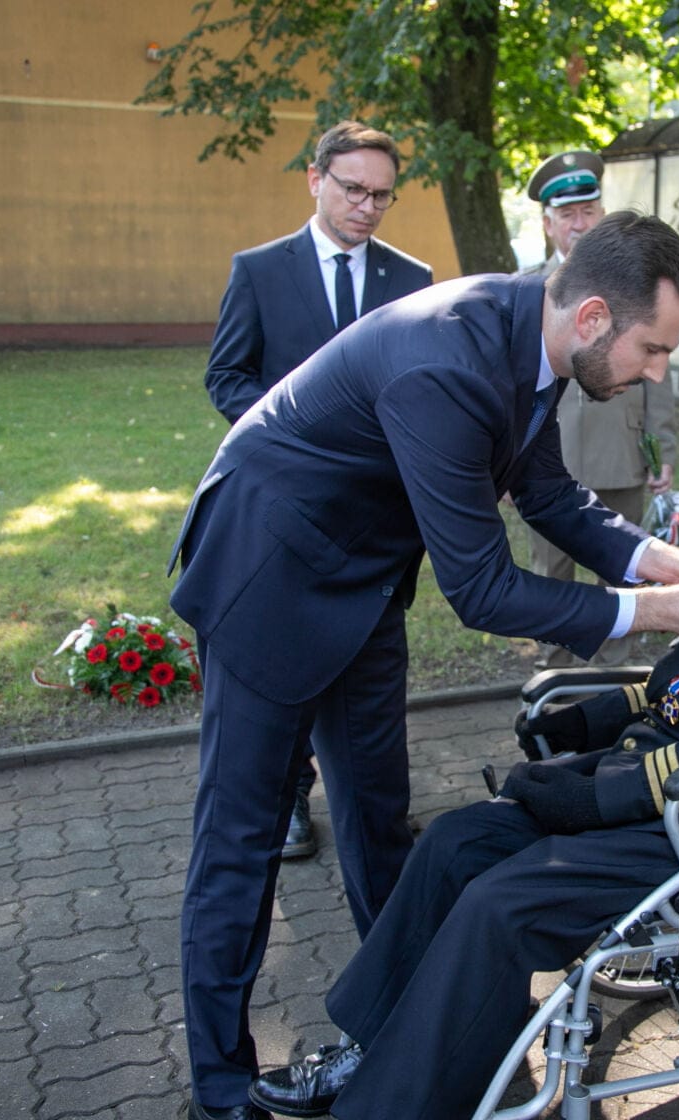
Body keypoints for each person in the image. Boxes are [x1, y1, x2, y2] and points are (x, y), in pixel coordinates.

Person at [168, 212, 679, 1120]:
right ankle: (219, 1090)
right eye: (653, 349)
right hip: (267, 577)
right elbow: (483, 591)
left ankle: (409, 1031)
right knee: (242, 842)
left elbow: (552, 498)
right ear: (594, 316)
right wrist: (657, 611)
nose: (657, 373)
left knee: (378, 821)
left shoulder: (536, 340)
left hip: (364, 585)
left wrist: (675, 564)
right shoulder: (447, 363)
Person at [245, 390, 679, 1120]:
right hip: (667, 796)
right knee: (455, 842)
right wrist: (586, 724)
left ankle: (396, 1104)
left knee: (502, 904)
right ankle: (368, 1047)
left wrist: (586, 798)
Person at [203, 122, 433, 863]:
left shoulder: (415, 281)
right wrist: (290, 439)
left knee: (365, 690)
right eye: (354, 190)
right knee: (284, 673)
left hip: (372, 528)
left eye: (382, 196)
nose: (367, 207)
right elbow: (227, 376)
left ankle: (375, 819)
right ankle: (292, 798)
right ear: (315, 179)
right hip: (282, 518)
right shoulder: (259, 271)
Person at [520, 150, 675, 667]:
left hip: (620, 451)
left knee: (623, 565)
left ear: (602, 215)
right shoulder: (528, 289)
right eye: (567, 214)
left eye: (588, 211)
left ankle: (616, 672)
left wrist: (661, 450)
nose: (579, 224)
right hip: (547, 458)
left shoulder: (635, 284)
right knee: (551, 569)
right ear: (548, 224)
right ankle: (553, 670)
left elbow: (657, 373)